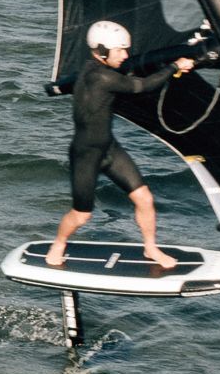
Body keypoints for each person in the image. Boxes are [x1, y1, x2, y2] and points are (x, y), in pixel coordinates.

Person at [48, 19, 195, 270]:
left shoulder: (95, 68)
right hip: (86, 154)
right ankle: (58, 243)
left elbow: (129, 74)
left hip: (109, 149)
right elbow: (143, 86)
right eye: (121, 51)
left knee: (145, 199)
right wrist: (175, 65)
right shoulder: (101, 77)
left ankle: (150, 248)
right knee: (82, 215)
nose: (125, 56)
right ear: (102, 52)